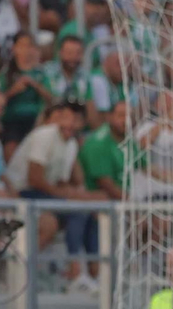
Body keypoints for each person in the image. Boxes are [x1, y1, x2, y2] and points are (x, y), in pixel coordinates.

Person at [6, 99, 102, 290]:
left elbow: (62, 181)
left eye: (75, 119)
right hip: (23, 192)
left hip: (43, 193)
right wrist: (68, 196)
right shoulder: (44, 135)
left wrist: (73, 193)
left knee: (91, 211)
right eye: (66, 117)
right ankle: (74, 270)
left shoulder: (71, 144)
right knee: (78, 210)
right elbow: (34, 178)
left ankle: (94, 273)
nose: (70, 122)